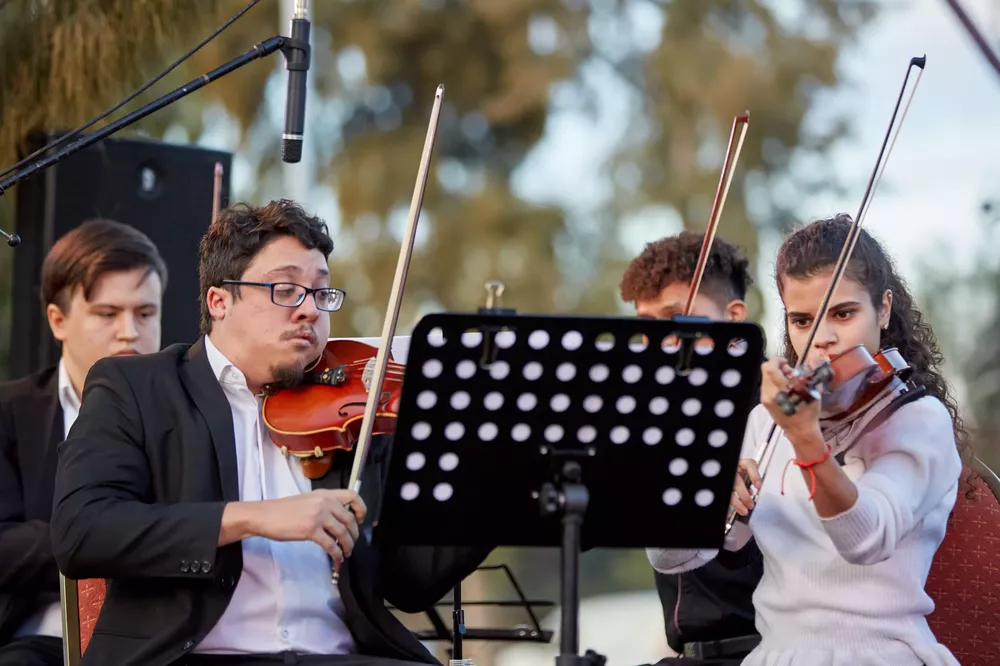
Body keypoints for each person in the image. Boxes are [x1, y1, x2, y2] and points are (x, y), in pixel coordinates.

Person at [50, 199, 493, 666]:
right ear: (219, 301)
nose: (309, 311)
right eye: (286, 289)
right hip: (194, 657)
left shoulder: (354, 412)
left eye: (321, 293)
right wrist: (255, 518)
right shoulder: (137, 388)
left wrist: (492, 483)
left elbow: (408, 584)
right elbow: (82, 532)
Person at [645, 214, 968, 666]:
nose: (823, 340)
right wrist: (707, 492)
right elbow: (672, 558)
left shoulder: (916, 419)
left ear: (884, 307)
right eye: (802, 320)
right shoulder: (765, 422)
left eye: (843, 313)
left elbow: (866, 539)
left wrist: (806, 440)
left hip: (881, 655)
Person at [0, 219, 166, 666]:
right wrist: (115, 533)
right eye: (107, 314)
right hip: (40, 639)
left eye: (146, 313)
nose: (130, 331)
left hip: (163, 641)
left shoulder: (193, 410)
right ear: (58, 320)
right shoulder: (8, 412)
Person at [620, 232, 763, 661]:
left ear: (734, 316)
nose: (661, 340)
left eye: (676, 317)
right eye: (648, 325)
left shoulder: (776, 409)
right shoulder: (652, 415)